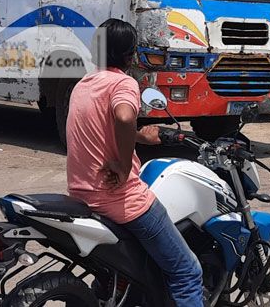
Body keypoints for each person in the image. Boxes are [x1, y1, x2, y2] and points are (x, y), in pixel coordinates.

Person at [65, 19, 204, 307]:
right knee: (186, 271)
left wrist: (139, 137)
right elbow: (124, 117)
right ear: (129, 55)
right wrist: (124, 164)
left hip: (81, 195)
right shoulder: (123, 83)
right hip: (119, 199)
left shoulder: (83, 85)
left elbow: (102, 128)